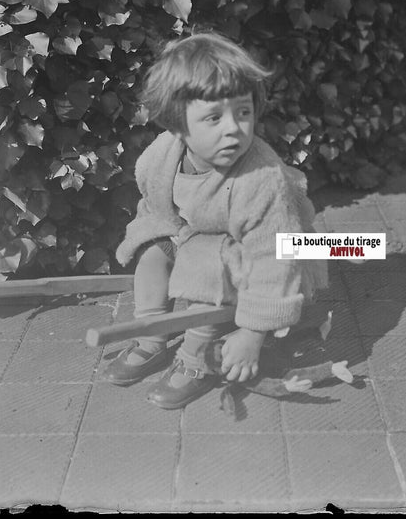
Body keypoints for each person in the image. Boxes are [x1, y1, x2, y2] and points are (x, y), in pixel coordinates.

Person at [103, 31, 329, 409]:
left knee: (204, 266)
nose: (233, 128)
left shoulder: (261, 180)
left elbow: (275, 259)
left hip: (274, 247)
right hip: (203, 232)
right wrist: (162, 240)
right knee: (151, 249)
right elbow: (157, 207)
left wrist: (252, 333)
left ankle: (196, 359)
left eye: (243, 112)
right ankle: (151, 333)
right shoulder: (164, 156)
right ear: (178, 127)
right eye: (213, 117)